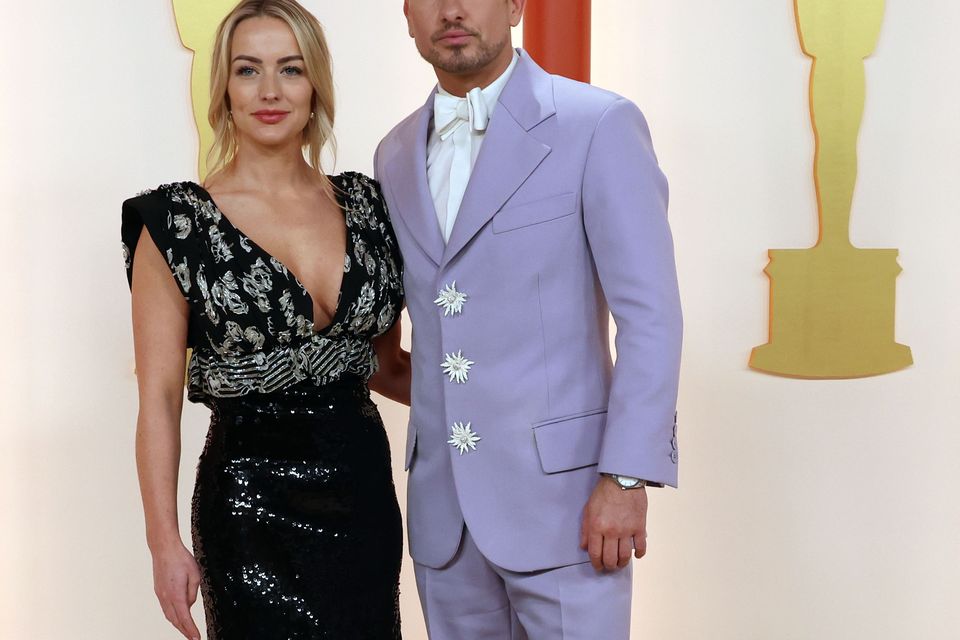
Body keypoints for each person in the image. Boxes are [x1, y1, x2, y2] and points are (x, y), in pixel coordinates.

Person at [374, 0, 683, 637]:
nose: (452, 11)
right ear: (406, 13)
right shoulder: (394, 153)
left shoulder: (599, 124)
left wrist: (625, 476)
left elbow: (651, 317)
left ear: (516, 4)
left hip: (569, 512)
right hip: (443, 518)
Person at [121, 1, 408, 638]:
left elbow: (391, 369)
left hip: (361, 499)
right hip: (247, 506)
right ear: (223, 88)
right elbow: (160, 398)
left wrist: (508, 395)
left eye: (291, 69)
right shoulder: (175, 226)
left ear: (317, 86)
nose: (270, 91)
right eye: (249, 71)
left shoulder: (367, 205)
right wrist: (163, 543)